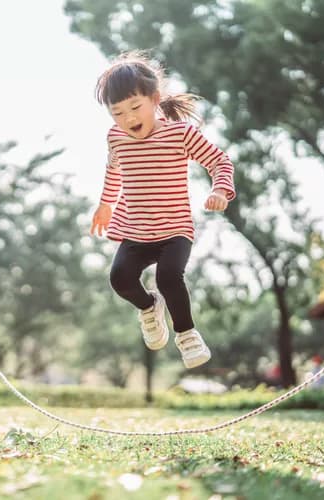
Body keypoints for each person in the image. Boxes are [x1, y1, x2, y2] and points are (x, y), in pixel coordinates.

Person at [89, 52, 235, 369]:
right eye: (118, 113)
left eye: (135, 108)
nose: (128, 118)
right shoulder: (116, 138)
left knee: (168, 276)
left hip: (174, 229)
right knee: (120, 278)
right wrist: (105, 204)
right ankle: (149, 305)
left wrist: (220, 189)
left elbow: (219, 161)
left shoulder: (179, 135)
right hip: (135, 229)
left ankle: (187, 334)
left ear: (154, 100)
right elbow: (114, 171)